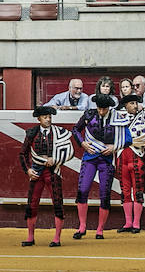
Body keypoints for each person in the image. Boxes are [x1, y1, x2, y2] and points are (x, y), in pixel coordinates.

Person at [19, 104, 74, 247]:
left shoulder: (58, 132)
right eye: (45, 117)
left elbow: (69, 151)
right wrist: (28, 170)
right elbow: (23, 154)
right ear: (39, 119)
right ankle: (30, 237)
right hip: (36, 172)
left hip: (53, 172)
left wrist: (55, 159)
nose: (48, 119)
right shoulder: (32, 133)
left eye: (50, 117)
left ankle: (57, 238)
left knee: (57, 203)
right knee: (32, 204)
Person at [72, 94, 118, 240]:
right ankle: (82, 227)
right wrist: (83, 143)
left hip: (106, 159)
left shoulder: (117, 117)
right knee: (83, 190)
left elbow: (127, 137)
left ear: (109, 107)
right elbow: (75, 130)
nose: (101, 111)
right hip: (90, 158)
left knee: (104, 194)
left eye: (104, 109)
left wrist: (115, 147)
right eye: (99, 108)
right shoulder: (89, 114)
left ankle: (100, 229)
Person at [111, 94, 145, 234]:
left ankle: (136, 223)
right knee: (124, 191)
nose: (135, 106)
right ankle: (128, 223)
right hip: (122, 159)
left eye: (136, 103)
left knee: (138, 190)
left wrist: (122, 139)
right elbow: (112, 136)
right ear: (125, 105)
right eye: (132, 103)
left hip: (136, 157)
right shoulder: (117, 117)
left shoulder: (143, 118)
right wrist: (128, 138)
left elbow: (144, 139)